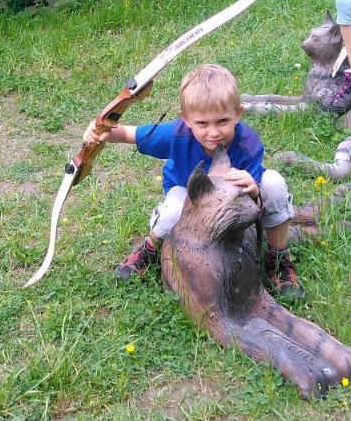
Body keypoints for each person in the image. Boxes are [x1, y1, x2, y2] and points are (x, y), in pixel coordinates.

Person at [82, 63, 304, 297]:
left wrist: (253, 190)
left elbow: (256, 206)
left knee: (274, 184)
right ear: (186, 119)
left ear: (238, 114)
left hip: (233, 204)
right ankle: (150, 249)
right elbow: (127, 133)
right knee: (172, 210)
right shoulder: (176, 134)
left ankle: (278, 259)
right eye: (202, 123)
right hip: (188, 194)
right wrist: (102, 132)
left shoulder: (248, 145)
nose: (213, 132)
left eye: (222, 121)